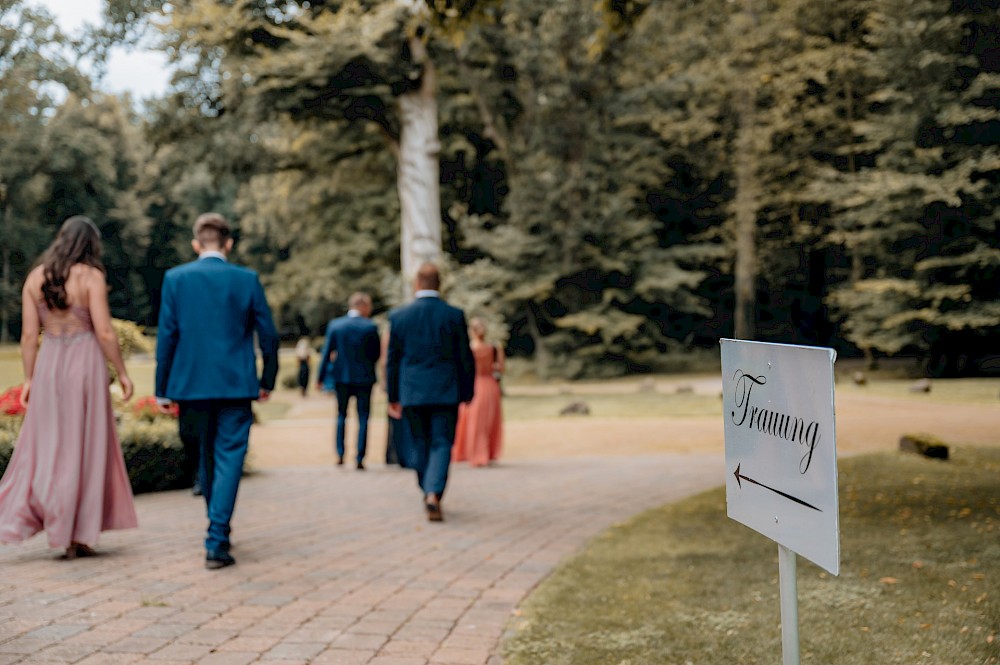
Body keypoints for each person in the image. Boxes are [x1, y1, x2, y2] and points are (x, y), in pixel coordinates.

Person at [0, 216, 138, 558]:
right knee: (85, 445)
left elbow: (29, 336)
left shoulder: (35, 278)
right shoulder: (91, 277)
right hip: (84, 363)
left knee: (50, 446)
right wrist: (121, 372)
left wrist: (30, 378)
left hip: (49, 364)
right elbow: (105, 332)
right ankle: (78, 533)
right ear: (91, 244)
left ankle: (59, 527)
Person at [155, 212, 278, 569]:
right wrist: (266, 379)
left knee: (207, 457)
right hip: (235, 384)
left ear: (196, 244)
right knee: (227, 459)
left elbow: (168, 336)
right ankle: (218, 535)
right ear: (229, 244)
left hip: (190, 385)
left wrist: (162, 389)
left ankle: (217, 532)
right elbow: (267, 334)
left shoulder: (175, 279)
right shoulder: (247, 279)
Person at [386, 263, 475, 522]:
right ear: (440, 284)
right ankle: (433, 491)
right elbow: (464, 357)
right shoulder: (454, 315)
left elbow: (393, 360)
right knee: (442, 443)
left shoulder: (399, 316)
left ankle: (428, 488)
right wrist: (468, 391)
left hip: (412, 392)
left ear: (417, 284)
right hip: (446, 391)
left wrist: (393, 395)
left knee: (418, 443)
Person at [316, 292, 380, 469]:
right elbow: (376, 354)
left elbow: (326, 353)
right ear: (363, 306)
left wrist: (320, 378)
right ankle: (360, 457)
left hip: (341, 377)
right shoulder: (370, 327)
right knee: (364, 418)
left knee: (341, 415)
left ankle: (340, 453)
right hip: (365, 378)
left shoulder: (336, 326)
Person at [452, 318, 504, 467]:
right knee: (487, 420)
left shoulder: (469, 349)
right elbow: (500, 369)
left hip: (473, 384)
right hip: (489, 385)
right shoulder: (493, 348)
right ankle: (486, 452)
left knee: (470, 420)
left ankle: (469, 452)